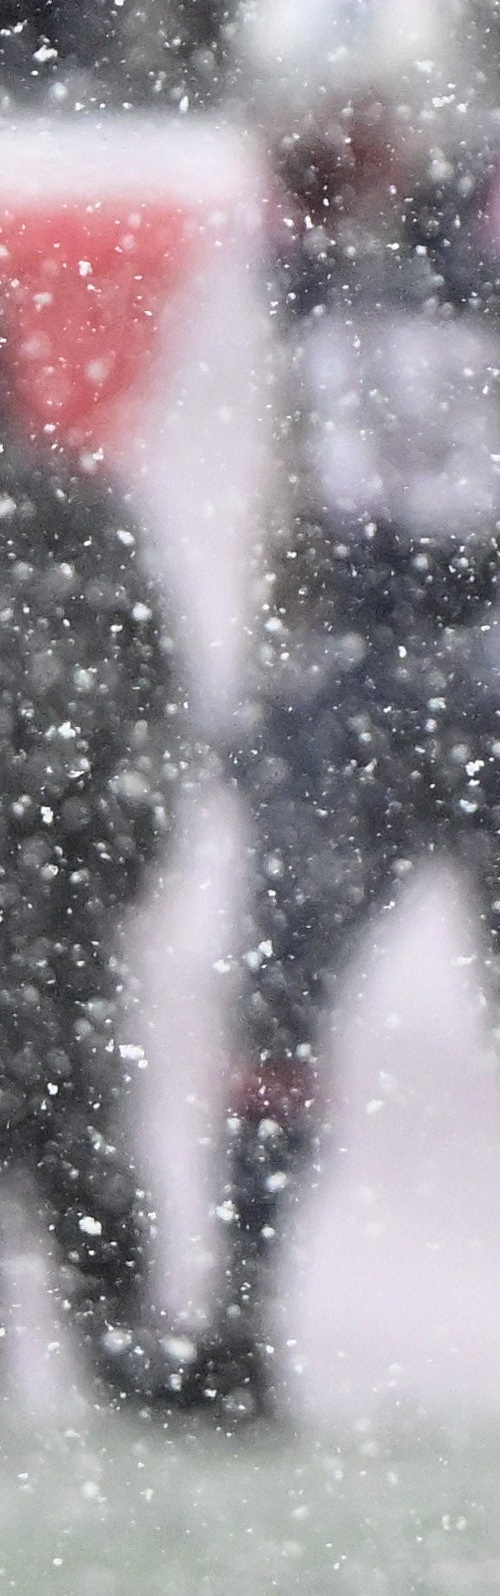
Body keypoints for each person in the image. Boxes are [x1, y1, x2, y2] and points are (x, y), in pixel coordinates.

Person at [195, 0, 500, 1434]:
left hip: (489, 664)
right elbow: (297, 458)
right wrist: (274, 646)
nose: (324, 156)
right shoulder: (310, 230)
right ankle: (241, 1330)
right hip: (352, 658)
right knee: (274, 994)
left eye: (347, 119)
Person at [0, 311, 189, 1413]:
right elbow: (152, 693)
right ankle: (119, 1338)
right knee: (77, 1119)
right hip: (62, 864)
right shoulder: (77, 512)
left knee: (75, 1122)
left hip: (56, 867)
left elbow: (151, 690)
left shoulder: (75, 514)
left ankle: (119, 1341)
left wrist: (120, 844)